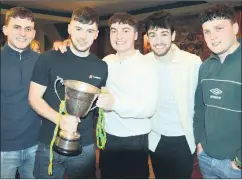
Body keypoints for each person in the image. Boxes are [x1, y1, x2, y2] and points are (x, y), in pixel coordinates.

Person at [28, 7, 108, 178]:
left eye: (89, 31)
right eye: (78, 29)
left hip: (85, 147)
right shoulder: (48, 58)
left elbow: (101, 101)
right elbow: (34, 98)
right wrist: (60, 119)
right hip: (48, 143)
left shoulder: (102, 67)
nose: (83, 36)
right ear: (70, 28)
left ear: (96, 34)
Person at [95, 12, 158, 179]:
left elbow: (149, 108)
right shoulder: (106, 61)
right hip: (108, 139)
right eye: (114, 31)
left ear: (136, 35)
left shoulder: (148, 64)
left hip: (134, 140)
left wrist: (115, 104)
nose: (119, 36)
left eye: (125, 30)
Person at [144, 11, 202, 178]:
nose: (158, 41)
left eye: (164, 34)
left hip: (184, 138)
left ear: (173, 35)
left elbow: (201, 103)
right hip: (155, 138)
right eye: (153, 35)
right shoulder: (143, 62)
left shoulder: (191, 62)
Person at [193, 4, 241, 179]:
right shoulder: (205, 67)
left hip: (236, 166)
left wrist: (239, 160)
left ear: (235, 28)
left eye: (219, 28)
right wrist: (199, 142)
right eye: (207, 31)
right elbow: (200, 109)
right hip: (206, 158)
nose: (212, 37)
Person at [1, 7, 41, 179]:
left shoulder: (42, 61)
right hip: (3, 149)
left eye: (28, 29)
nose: (23, 33)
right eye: (17, 27)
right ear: (5, 30)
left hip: (36, 145)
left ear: (33, 33)